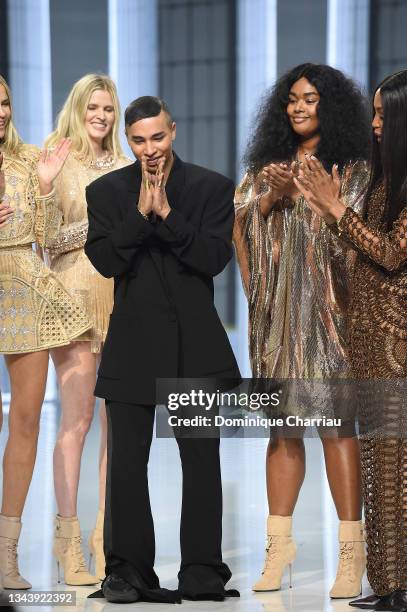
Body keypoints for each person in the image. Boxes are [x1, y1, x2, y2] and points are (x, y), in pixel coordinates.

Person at [84, 96, 240, 604]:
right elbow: (106, 261)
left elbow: (214, 259)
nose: (150, 149)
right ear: (127, 141)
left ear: (173, 130)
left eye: (158, 137)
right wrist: (139, 216)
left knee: (201, 461)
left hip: (194, 344)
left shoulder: (211, 187)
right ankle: (128, 572)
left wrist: (167, 215)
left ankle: (201, 573)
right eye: (138, 140)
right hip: (132, 344)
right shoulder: (106, 192)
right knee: (127, 464)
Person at [234, 63, 370, 598]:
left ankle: (351, 553)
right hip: (280, 322)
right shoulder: (268, 168)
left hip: (331, 322)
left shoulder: (354, 168)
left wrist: (316, 199)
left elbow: (356, 238)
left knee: (337, 428)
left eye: (310, 99)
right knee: (282, 431)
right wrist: (270, 200)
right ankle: (279, 546)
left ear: (329, 106)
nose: (298, 107)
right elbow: (241, 225)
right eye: (291, 99)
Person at [294, 70, 407, 612]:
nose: (376, 124)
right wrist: (331, 212)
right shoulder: (388, 183)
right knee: (380, 467)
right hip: (367, 342)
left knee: (397, 471)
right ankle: (387, 585)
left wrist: (337, 210)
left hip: (395, 345)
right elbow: (361, 251)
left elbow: (389, 252)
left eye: (386, 115)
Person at [0, 75, 90, 589]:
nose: (2, 113)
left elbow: (47, 236)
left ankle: (7, 557)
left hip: (22, 288)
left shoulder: (29, 157)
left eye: (6, 103)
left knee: (27, 423)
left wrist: (46, 185)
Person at [44, 74, 131, 586]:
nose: (101, 115)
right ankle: (67, 539)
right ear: (78, 107)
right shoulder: (56, 162)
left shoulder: (125, 165)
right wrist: (99, 226)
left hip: (121, 304)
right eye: (93, 106)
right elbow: (48, 240)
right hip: (71, 303)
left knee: (116, 431)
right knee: (75, 426)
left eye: (108, 108)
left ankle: (107, 540)